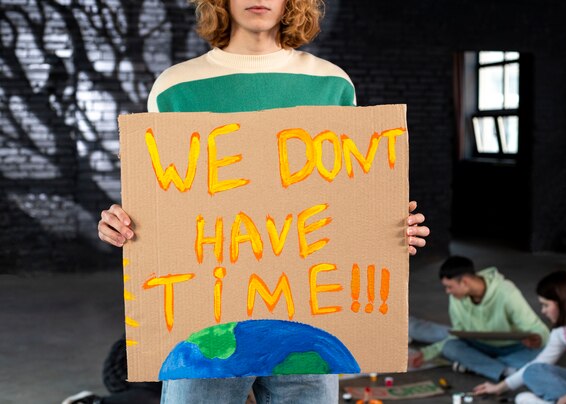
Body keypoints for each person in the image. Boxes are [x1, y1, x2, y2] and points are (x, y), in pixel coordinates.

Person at [97, 0, 431, 403]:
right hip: (206, 324)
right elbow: (161, 195)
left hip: (308, 317)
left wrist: (388, 228)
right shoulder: (175, 86)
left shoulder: (332, 83)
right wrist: (121, 223)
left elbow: (348, 194)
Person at [473, 270, 566, 404]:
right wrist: (500, 387)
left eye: (546, 305)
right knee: (533, 372)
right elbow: (541, 362)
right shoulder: (564, 329)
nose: (543, 310)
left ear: (562, 302)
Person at [417, 255, 550, 381]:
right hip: (479, 345)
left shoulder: (506, 292)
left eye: (449, 287)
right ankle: (505, 371)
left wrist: (538, 338)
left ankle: (483, 366)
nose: (447, 291)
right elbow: (458, 332)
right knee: (450, 347)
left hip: (511, 348)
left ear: (465, 282)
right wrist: (428, 353)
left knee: (544, 350)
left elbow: (538, 329)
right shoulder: (455, 298)